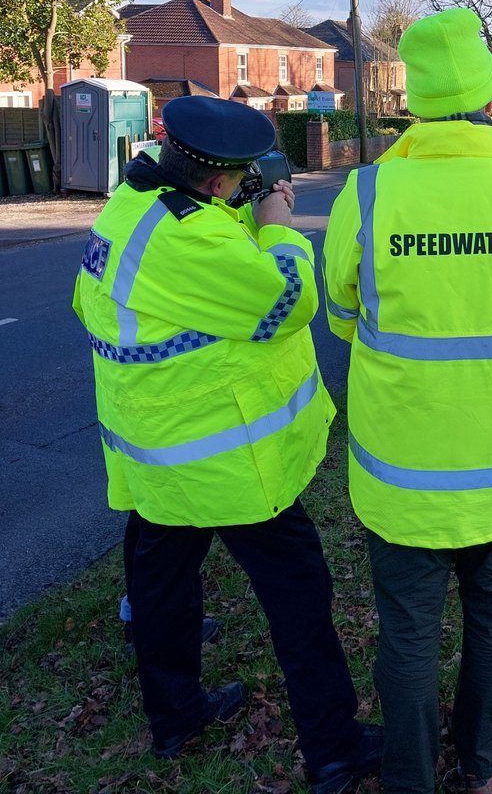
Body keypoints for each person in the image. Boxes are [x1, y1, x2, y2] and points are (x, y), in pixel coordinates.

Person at [73, 95, 382, 790]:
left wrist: (240, 207)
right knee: (300, 597)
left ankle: (175, 717)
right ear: (215, 180)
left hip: (156, 457)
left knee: (161, 591)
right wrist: (276, 221)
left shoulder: (132, 205)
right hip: (229, 462)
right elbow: (288, 298)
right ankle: (334, 749)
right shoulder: (191, 241)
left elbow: (190, 264)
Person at [322, 8, 492, 794]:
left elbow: (340, 314)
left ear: (417, 99)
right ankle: (482, 765)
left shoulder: (367, 195)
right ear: (487, 93)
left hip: (400, 470)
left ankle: (410, 778)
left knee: (406, 633)